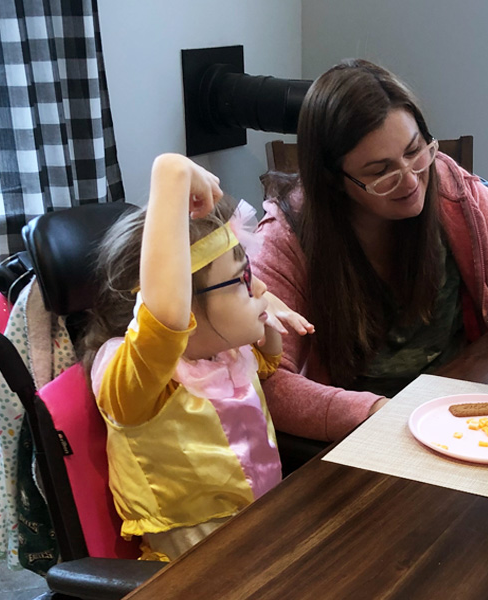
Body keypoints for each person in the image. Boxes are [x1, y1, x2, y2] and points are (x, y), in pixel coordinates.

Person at [253, 59, 488, 443]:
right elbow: (265, 381)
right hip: (366, 434)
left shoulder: (448, 186)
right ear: (334, 181)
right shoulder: (287, 236)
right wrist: (377, 412)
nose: (411, 180)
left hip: (461, 410)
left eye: (415, 151)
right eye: (381, 172)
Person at [79, 154, 314, 561]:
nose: (259, 287)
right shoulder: (137, 382)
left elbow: (266, 368)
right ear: (185, 305)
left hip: (260, 544)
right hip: (195, 575)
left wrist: (266, 323)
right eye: (242, 279)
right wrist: (171, 174)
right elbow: (164, 318)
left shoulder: (222, 353)